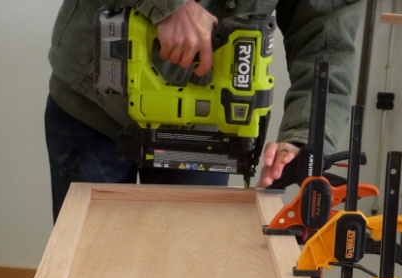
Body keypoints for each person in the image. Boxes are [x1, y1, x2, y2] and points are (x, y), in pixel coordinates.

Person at [46, 0, 362, 220]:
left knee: (186, 270)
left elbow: (326, 40)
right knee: (90, 266)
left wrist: (303, 137)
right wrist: (170, 5)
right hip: (94, 102)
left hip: (207, 134)